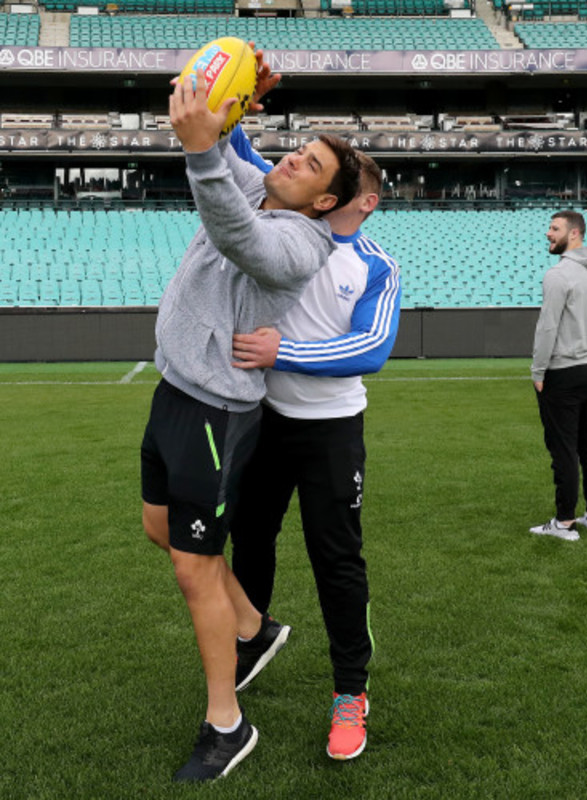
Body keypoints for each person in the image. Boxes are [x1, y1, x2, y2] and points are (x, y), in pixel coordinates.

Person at [140, 66, 361, 782]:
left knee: (192, 564)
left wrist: (206, 150)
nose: (290, 158)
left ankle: (226, 725)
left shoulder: (301, 244)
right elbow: (227, 156)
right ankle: (255, 626)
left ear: (325, 200)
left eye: (311, 165)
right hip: (176, 390)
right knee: (158, 528)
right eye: (298, 147)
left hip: (216, 409)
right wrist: (231, 111)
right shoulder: (260, 188)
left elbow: (236, 232)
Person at [227, 127, 401, 761]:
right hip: (265, 418)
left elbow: (372, 349)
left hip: (332, 432)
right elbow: (248, 159)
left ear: (361, 200)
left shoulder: (376, 265)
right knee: (249, 539)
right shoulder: (292, 227)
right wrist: (233, 107)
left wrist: (286, 351)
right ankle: (250, 643)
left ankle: (350, 694)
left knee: (337, 562)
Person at [529, 210, 587, 541]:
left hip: (564, 370)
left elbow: (547, 326)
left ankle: (564, 523)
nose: (548, 233)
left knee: (563, 448)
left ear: (574, 234)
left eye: (554, 228)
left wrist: (538, 370)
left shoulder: (559, 274)